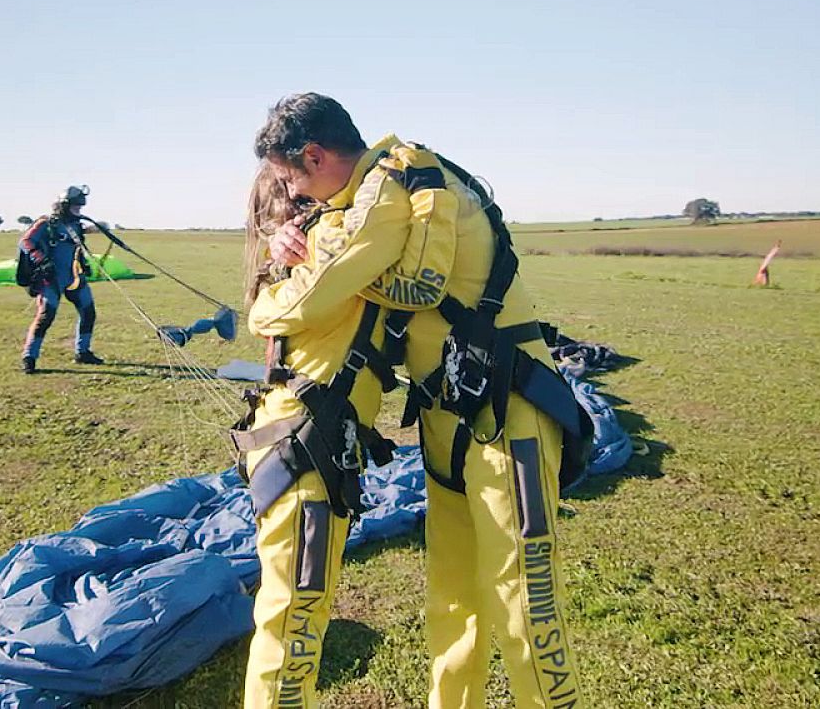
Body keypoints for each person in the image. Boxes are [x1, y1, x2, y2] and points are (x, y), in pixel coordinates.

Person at [252, 93, 587, 708]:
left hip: (506, 411)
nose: (297, 196)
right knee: (453, 595)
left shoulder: (390, 186)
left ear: (315, 156)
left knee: (524, 598)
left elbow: (316, 292)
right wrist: (287, 244)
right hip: (449, 414)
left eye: (291, 180)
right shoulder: (386, 188)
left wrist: (264, 304)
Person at [237, 165, 397, 708]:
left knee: (291, 613)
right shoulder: (316, 267)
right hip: (305, 454)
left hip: (293, 446)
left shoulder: (297, 270)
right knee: (294, 623)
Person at [17, 186, 120, 372]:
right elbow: (25, 242)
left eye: (80, 208)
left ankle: (83, 352)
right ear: (64, 206)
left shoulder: (76, 226)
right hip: (50, 278)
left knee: (88, 312)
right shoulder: (45, 223)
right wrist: (40, 258)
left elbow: (76, 248)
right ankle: (29, 357)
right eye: (75, 207)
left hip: (74, 277)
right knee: (46, 316)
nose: (79, 211)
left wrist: (84, 264)